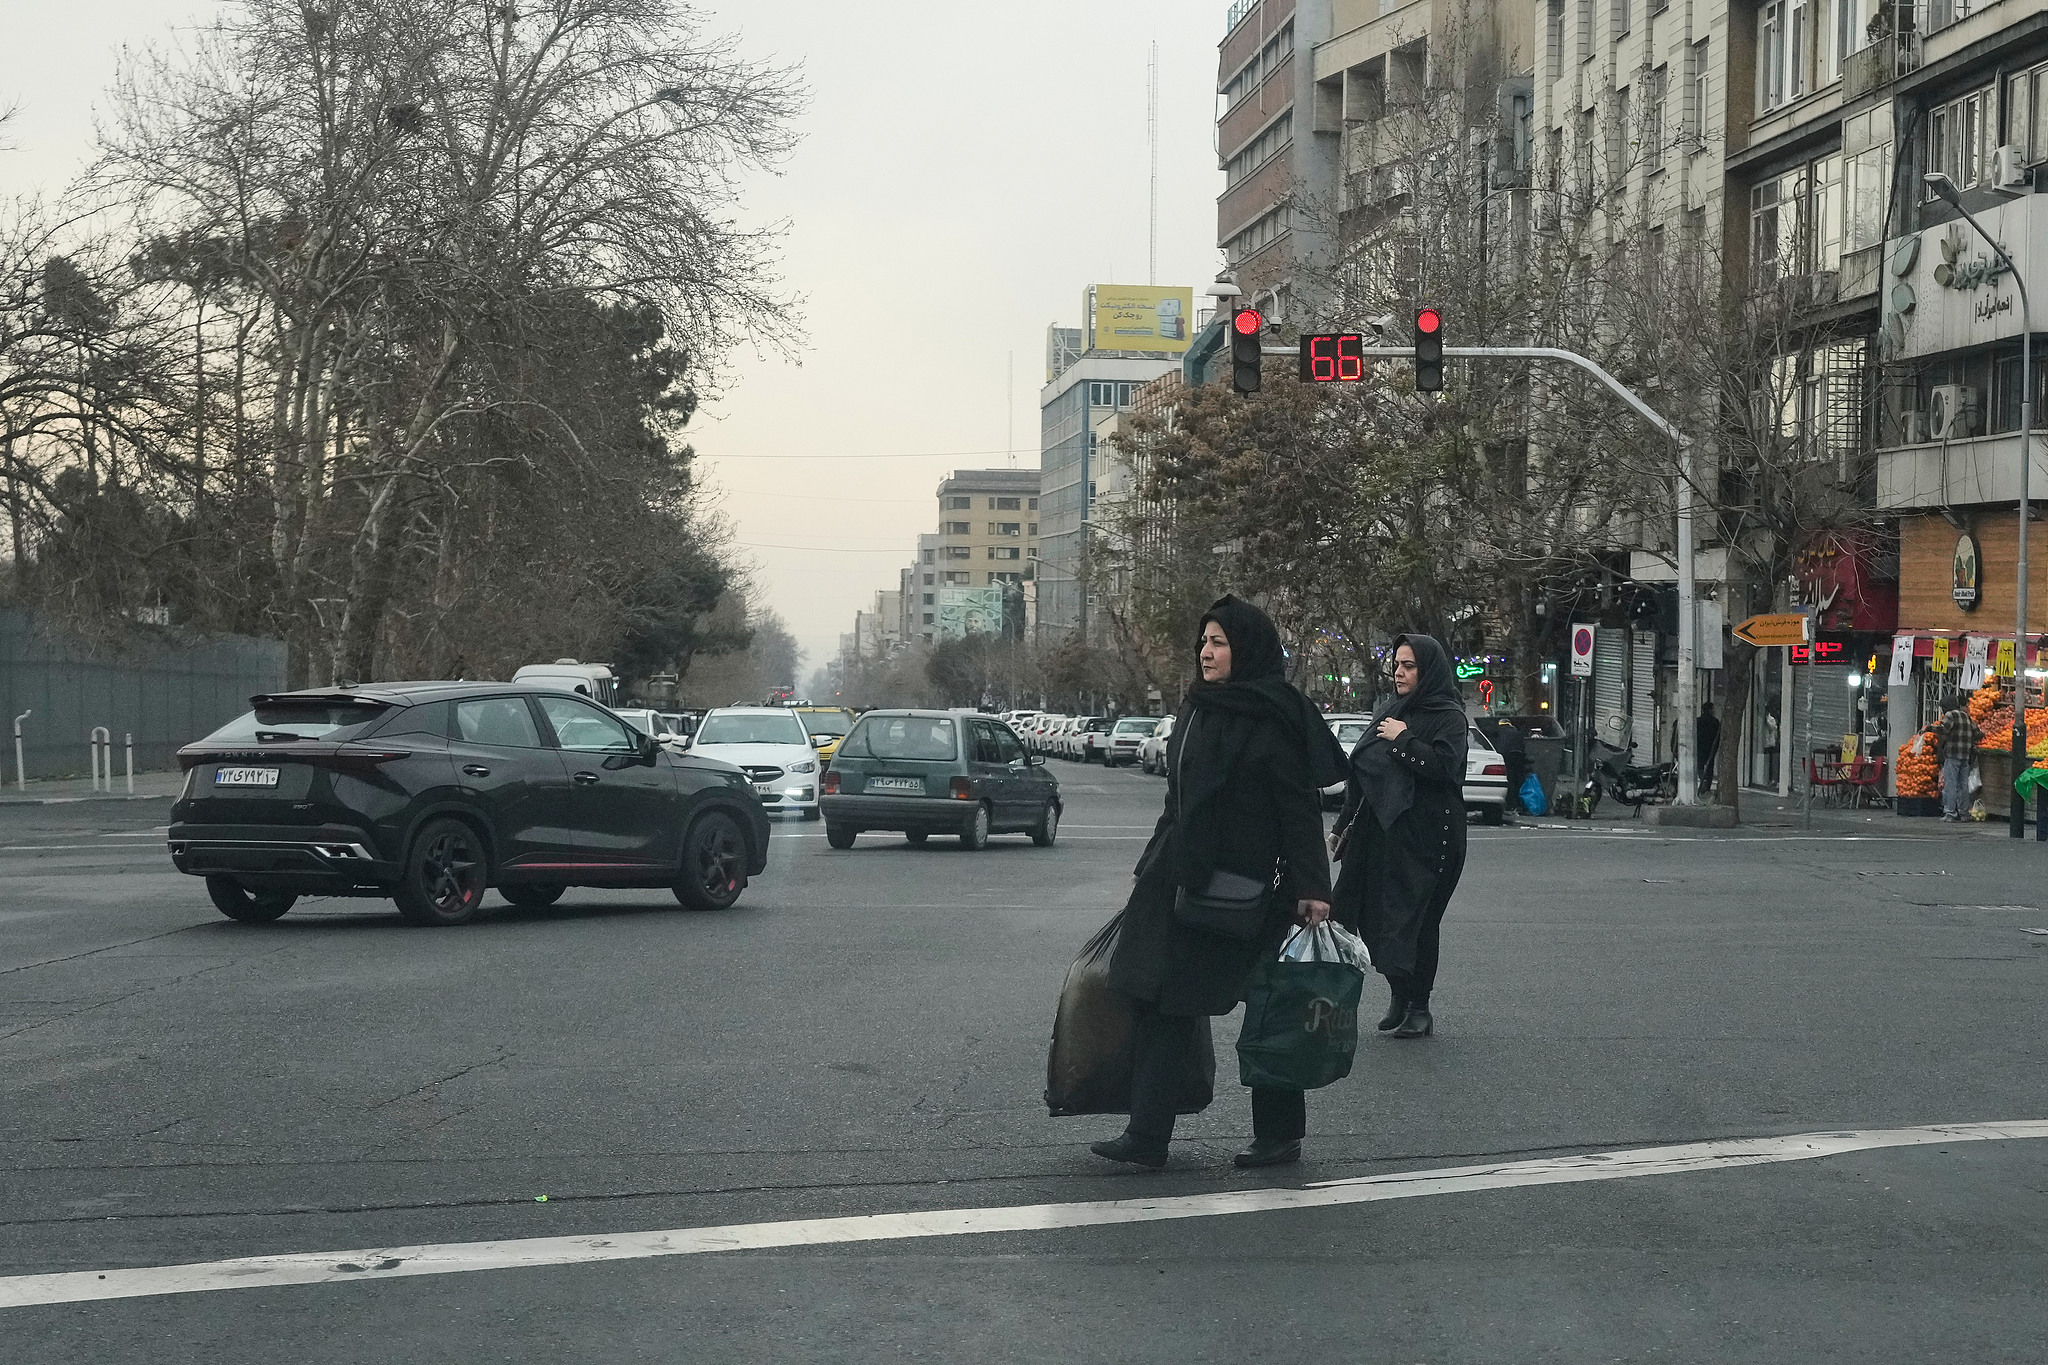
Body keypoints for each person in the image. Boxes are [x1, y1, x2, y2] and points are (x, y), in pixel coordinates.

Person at [1096, 596, 1344, 1170]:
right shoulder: (1197, 708)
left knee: (1270, 1010)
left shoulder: (1273, 716)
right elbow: (1177, 798)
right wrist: (1151, 864)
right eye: (1204, 641)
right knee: (1162, 999)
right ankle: (1147, 1136)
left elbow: (1298, 810)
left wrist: (1313, 887)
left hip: (1255, 889)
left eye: (1220, 642)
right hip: (1182, 878)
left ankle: (1278, 1136)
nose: (1207, 653)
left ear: (1247, 649)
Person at [1330, 635, 1469, 1039]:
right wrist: (1342, 827)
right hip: (1383, 836)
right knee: (1378, 920)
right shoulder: (1391, 712)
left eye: (1408, 666)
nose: (1399, 672)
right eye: (1397, 665)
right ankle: (1398, 995)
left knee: (1421, 922)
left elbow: (1445, 768)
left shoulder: (1449, 716)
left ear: (1427, 671)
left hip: (1431, 840)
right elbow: (1363, 775)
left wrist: (1404, 740)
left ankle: (1419, 1007)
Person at [1936, 700, 1983, 820]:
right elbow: (1978, 733)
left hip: (1952, 754)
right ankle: (1964, 813)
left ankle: (1950, 813)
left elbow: (1943, 729)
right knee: (1963, 785)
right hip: (1965, 755)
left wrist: (1928, 729)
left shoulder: (1950, 715)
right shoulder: (1966, 716)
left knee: (1950, 785)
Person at [1696, 702, 1721, 797]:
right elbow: (1718, 736)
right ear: (1710, 710)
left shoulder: (1698, 721)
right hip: (1711, 748)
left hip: (1700, 747)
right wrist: (1715, 748)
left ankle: (1703, 780)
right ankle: (1707, 786)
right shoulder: (1715, 722)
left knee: (1700, 766)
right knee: (1710, 768)